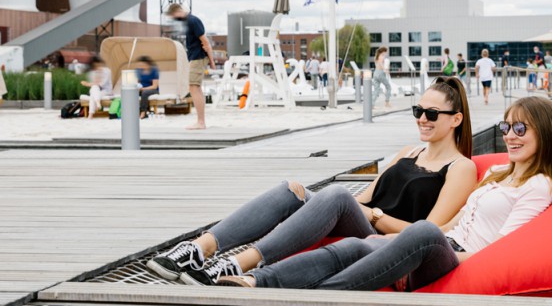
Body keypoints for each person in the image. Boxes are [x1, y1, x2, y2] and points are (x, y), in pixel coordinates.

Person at [218, 96, 552, 291]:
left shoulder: (538, 186)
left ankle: (319, 293)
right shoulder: (498, 173)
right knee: (352, 248)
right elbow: (458, 221)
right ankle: (256, 282)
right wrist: (403, 246)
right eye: (506, 126)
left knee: (422, 232)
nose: (510, 135)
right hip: (441, 242)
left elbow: (503, 250)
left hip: (458, 259)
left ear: (542, 133)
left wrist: (421, 242)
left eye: (520, 129)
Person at [146, 76, 478, 286]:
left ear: (456, 120)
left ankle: (236, 264)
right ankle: (198, 250)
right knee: (289, 189)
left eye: (432, 114)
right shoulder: (409, 151)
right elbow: (363, 197)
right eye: (418, 110)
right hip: (362, 221)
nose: (422, 118)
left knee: (335, 195)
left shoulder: (460, 167)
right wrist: (310, 198)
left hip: (385, 243)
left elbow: (429, 232)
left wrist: (373, 216)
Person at [166, 4, 216, 130]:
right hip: (195, 57)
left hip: (198, 57)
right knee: (195, 88)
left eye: (173, 16)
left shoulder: (193, 21)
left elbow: (205, 43)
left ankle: (201, 122)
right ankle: (200, 121)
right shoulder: (189, 22)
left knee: (193, 87)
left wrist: (212, 61)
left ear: (177, 11)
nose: (174, 19)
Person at [135, 55, 159, 119]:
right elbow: (138, 83)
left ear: (147, 64)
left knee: (145, 92)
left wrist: (143, 89)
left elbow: (154, 86)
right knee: (132, 92)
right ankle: (132, 111)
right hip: (142, 89)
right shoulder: (139, 71)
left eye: (142, 65)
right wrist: (138, 88)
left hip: (153, 90)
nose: (140, 67)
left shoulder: (154, 71)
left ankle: (143, 112)